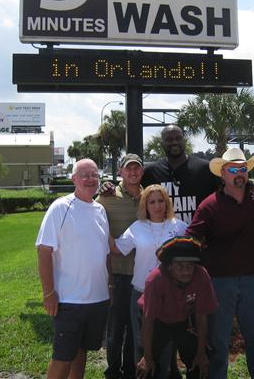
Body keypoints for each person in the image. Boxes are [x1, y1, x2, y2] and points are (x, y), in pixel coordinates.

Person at [187, 147, 254, 379]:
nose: (239, 174)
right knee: (218, 341)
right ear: (222, 174)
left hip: (253, 279)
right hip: (219, 282)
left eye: (243, 169)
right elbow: (191, 236)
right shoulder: (210, 205)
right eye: (233, 169)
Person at [36, 158, 111, 379]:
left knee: (81, 352)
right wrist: (49, 293)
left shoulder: (100, 210)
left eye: (94, 175)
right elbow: (43, 250)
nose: (90, 179)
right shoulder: (60, 207)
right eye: (85, 175)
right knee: (62, 358)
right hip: (69, 300)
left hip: (97, 299)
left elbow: (105, 253)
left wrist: (111, 285)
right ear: (74, 179)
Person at [109, 184, 187, 376]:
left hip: (169, 296)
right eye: (152, 202)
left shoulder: (179, 227)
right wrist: (102, 227)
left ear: (167, 203)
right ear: (145, 205)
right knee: (141, 345)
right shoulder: (137, 227)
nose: (157, 205)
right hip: (141, 293)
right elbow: (117, 249)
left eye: (161, 201)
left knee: (167, 347)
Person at [136, 237, 217, 379]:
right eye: (180, 266)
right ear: (169, 266)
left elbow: (201, 316)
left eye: (190, 266)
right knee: (146, 368)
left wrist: (201, 353)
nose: (186, 271)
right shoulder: (155, 279)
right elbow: (148, 320)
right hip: (156, 322)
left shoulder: (201, 275)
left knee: (200, 364)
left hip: (184, 320)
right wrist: (147, 356)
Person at [97, 153, 145, 379]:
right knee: (116, 329)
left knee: (136, 330)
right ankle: (113, 372)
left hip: (143, 275)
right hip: (117, 274)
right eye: (129, 169)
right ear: (120, 172)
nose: (133, 172)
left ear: (142, 172)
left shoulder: (149, 196)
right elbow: (93, 221)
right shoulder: (106, 197)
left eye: (137, 168)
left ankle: (130, 371)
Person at [142, 125, 219, 224]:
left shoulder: (206, 169)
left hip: (199, 236)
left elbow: (224, 196)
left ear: (184, 140)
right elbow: (131, 190)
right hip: (163, 236)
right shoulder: (150, 172)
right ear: (162, 144)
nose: (174, 142)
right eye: (169, 139)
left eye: (178, 138)